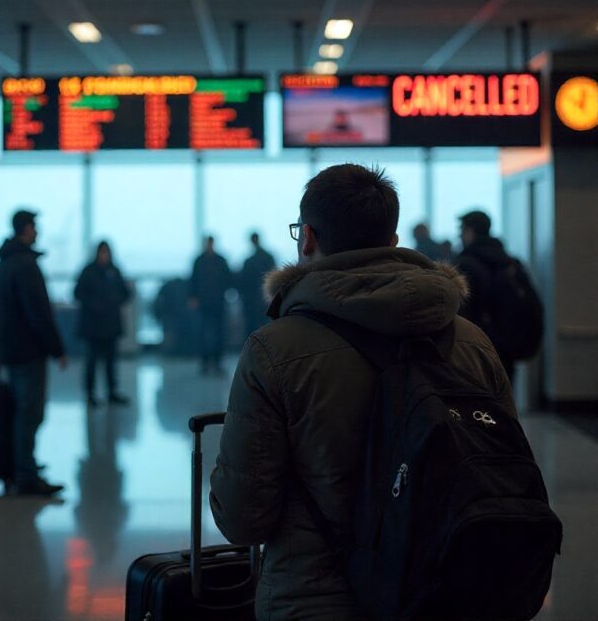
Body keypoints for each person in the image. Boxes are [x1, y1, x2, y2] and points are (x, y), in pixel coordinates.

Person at [209, 164, 515, 620]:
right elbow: (503, 466)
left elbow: (242, 517)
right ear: (392, 242)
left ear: (307, 238)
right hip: (446, 593)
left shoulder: (274, 351)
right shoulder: (470, 341)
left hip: (315, 600)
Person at [0, 210, 67, 497]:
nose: (38, 231)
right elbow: (39, 313)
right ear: (27, 229)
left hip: (10, 350)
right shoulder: (25, 266)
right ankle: (26, 475)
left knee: (21, 411)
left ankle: (23, 464)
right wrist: (57, 349)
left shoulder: (2, 266)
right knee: (30, 413)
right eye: (35, 226)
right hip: (29, 350)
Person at [456, 210, 535, 380]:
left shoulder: (467, 264)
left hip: (478, 344)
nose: (460, 236)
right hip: (508, 343)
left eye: (461, 231)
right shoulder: (509, 262)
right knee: (504, 392)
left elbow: (464, 310)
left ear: (470, 231)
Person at [74, 241, 132, 408]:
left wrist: (114, 301)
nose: (104, 256)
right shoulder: (88, 271)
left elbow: (125, 293)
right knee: (91, 362)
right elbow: (78, 293)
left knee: (110, 362)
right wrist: (94, 304)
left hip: (110, 325)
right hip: (93, 326)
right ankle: (90, 394)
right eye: (102, 252)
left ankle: (111, 392)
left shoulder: (114, 271)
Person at [188, 236, 232, 375]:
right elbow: (193, 280)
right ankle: (205, 362)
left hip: (216, 302)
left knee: (218, 333)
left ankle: (217, 362)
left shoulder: (212, 261)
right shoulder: (203, 261)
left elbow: (227, 279)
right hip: (206, 302)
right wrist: (193, 297)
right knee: (204, 333)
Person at [238, 232, 276, 337]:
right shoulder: (268, 258)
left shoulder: (249, 261)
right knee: (264, 326)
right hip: (263, 297)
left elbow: (242, 281)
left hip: (253, 299)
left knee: (252, 326)